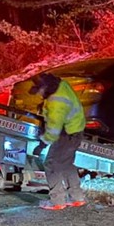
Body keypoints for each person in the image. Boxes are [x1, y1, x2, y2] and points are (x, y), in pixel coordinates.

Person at [28, 72, 87, 210]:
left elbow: (53, 131)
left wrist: (42, 144)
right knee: (66, 164)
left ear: (46, 88)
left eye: (40, 91)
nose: (39, 95)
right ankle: (77, 197)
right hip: (76, 131)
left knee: (51, 164)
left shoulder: (56, 103)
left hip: (66, 135)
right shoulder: (62, 85)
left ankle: (57, 200)